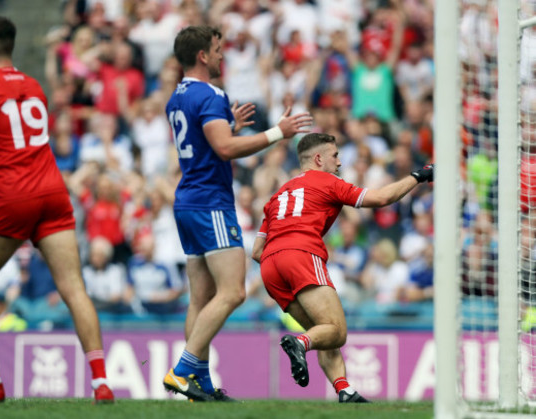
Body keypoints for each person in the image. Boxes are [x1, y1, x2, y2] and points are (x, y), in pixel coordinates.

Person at [0, 16, 113, 404]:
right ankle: (101, 383)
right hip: (54, 191)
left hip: (13, 196)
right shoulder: (32, 85)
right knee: (74, 288)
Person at [162, 25, 312, 402]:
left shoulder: (176, 96)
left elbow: (208, 141)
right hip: (210, 201)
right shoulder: (210, 93)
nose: (221, 55)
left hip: (188, 202)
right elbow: (225, 149)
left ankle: (201, 381)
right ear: (202, 56)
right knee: (232, 293)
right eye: (216, 49)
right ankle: (182, 371)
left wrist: (227, 126)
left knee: (201, 298)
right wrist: (278, 132)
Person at [251, 133, 433, 403]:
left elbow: (256, 251)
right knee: (337, 330)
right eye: (334, 155)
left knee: (324, 332)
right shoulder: (329, 182)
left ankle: (344, 390)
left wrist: (280, 255)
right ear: (318, 158)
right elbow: (382, 198)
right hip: (301, 253)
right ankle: (299, 343)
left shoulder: (279, 195)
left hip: (269, 267)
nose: (339, 161)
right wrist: (419, 175)